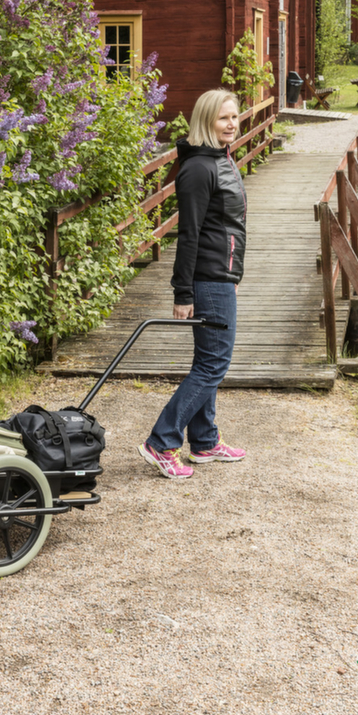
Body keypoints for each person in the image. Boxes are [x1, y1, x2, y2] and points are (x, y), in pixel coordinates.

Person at [138, 88, 247, 479]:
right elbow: (189, 235)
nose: (232, 124)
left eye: (235, 117)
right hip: (206, 277)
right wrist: (183, 291)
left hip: (221, 275)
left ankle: (204, 441)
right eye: (223, 118)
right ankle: (162, 441)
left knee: (209, 361)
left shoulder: (220, 159)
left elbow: (225, 227)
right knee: (214, 364)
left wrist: (232, 275)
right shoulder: (200, 168)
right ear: (206, 120)